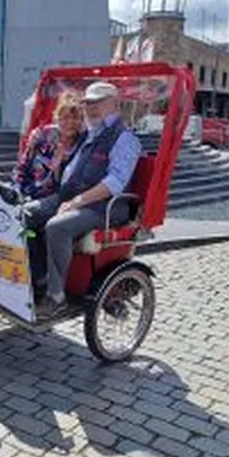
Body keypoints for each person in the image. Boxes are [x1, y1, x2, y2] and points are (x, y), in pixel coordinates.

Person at [24, 81, 142, 316]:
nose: (91, 107)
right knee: (23, 214)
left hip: (103, 206)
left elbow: (115, 183)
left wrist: (78, 201)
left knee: (56, 227)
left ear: (114, 103)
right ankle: (37, 278)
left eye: (98, 102)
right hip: (70, 196)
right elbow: (62, 128)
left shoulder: (124, 138)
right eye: (88, 103)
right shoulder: (90, 134)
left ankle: (56, 297)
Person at [13, 91, 85, 200]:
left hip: (62, 200)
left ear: (81, 120)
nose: (70, 122)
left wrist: (59, 165)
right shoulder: (41, 136)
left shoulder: (84, 143)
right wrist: (18, 191)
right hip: (29, 194)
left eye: (75, 118)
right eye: (65, 117)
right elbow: (22, 167)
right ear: (57, 117)